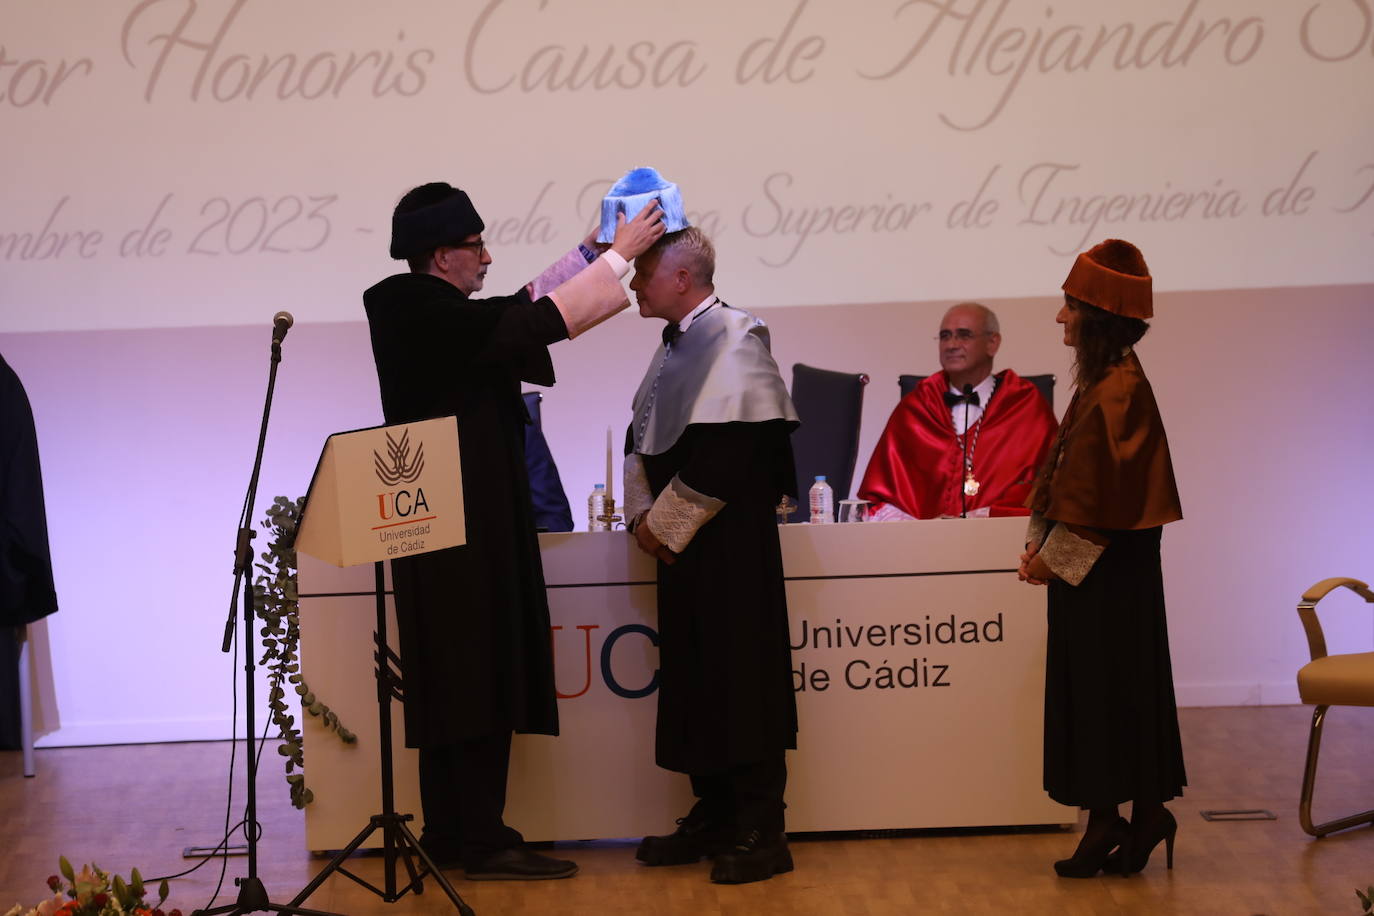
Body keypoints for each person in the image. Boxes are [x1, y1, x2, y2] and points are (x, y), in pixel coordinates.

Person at [363, 181, 664, 880]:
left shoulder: (437, 311)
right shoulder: (413, 308)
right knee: (471, 675)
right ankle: (480, 837)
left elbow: (517, 310)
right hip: (457, 534)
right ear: (442, 256)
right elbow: (527, 321)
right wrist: (616, 261)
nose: (487, 256)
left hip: (451, 529)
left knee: (456, 679)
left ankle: (456, 832)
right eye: (475, 246)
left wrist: (592, 251)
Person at [621, 227, 800, 884]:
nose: (634, 285)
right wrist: (645, 520)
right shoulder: (672, 348)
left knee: (741, 681)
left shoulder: (735, 337)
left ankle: (762, 829)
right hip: (686, 554)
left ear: (681, 278)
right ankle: (716, 813)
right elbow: (640, 438)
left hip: (731, 552)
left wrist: (662, 528)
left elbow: (733, 456)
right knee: (700, 680)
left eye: (643, 273)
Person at [1018, 238, 1185, 878]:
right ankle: (1132, 816)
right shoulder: (1107, 381)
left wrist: (1044, 562)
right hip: (1110, 579)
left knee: (1108, 693)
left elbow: (1098, 512)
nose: (1060, 318)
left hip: (1110, 581)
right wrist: (1041, 542)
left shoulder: (1116, 392)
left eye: (1068, 305)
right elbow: (1072, 483)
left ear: (1097, 313)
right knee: (1116, 693)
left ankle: (1120, 818)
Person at [858, 303, 1057, 519]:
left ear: (992, 342)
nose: (951, 345)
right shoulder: (917, 405)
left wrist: (983, 517)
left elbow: (1047, 491)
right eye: (945, 336)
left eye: (964, 335)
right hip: (921, 544)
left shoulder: (1025, 405)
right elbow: (882, 497)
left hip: (1002, 542)